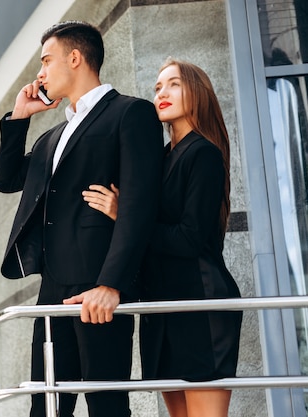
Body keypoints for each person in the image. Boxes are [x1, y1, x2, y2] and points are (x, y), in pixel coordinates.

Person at [0, 20, 164, 417]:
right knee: (47, 408)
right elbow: (8, 180)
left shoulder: (131, 113)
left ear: (75, 57)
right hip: (52, 294)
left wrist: (112, 284)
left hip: (97, 289)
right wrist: (21, 116)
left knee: (107, 406)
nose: (40, 73)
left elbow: (138, 205)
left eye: (46, 60)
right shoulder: (52, 136)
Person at [77, 58, 242, 417]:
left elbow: (189, 239)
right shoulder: (162, 157)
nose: (161, 93)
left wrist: (128, 218)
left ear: (197, 92)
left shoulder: (204, 153)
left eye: (173, 85)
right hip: (162, 310)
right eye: (157, 88)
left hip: (199, 305)